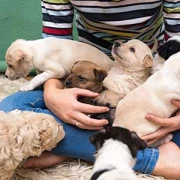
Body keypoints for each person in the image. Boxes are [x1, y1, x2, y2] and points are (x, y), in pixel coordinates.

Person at [1, 0, 180, 179]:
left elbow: (176, 52)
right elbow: (54, 47)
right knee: (11, 106)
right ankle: (151, 156)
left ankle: (74, 145)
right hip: (86, 77)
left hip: (151, 83)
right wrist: (53, 95)